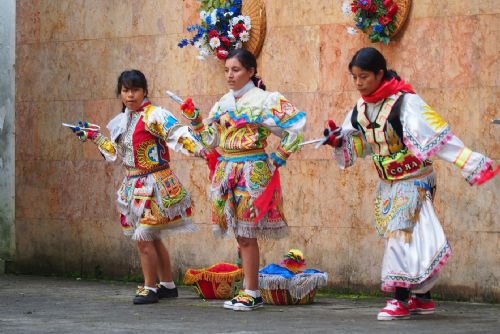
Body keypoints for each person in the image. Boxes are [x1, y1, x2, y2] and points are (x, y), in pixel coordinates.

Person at [323, 47, 498, 320]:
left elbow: (437, 137)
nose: (358, 83)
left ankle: (400, 299)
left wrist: (470, 162)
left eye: (364, 76)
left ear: (380, 74)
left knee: (400, 234)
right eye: (355, 77)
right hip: (389, 182)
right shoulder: (360, 108)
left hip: (414, 179)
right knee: (411, 237)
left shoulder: (405, 102)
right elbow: (359, 144)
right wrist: (337, 140)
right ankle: (423, 298)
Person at [179, 48, 306, 311]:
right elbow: (210, 141)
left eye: (235, 70)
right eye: (226, 70)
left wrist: (279, 156)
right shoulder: (222, 103)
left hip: (253, 172)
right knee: (239, 233)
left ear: (251, 71)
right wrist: (195, 121)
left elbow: (297, 124)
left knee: (247, 234)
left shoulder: (266, 100)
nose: (229, 75)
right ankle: (250, 288)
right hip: (227, 172)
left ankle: (251, 290)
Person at [71, 70, 206, 304]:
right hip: (133, 185)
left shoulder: (155, 115)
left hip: (154, 184)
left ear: (145, 91)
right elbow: (115, 154)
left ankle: (149, 287)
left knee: (144, 238)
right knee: (152, 238)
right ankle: (167, 285)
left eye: (135, 90)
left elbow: (177, 135)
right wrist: (95, 137)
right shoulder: (123, 120)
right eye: (125, 90)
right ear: (120, 92)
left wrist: (202, 150)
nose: (130, 95)